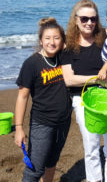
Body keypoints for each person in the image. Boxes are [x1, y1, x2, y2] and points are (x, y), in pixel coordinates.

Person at [61, 0, 107, 182]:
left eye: (93, 19)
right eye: (84, 18)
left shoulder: (106, 37)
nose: (89, 23)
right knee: (92, 149)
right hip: (83, 100)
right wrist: (99, 80)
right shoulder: (68, 46)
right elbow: (69, 79)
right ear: (75, 19)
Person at [14, 17, 72, 182]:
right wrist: (19, 128)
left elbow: (78, 42)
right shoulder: (31, 64)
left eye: (56, 38)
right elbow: (22, 97)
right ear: (40, 41)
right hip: (42, 123)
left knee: (52, 162)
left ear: (62, 41)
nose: (51, 42)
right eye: (47, 38)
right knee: (34, 169)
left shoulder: (63, 58)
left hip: (64, 121)